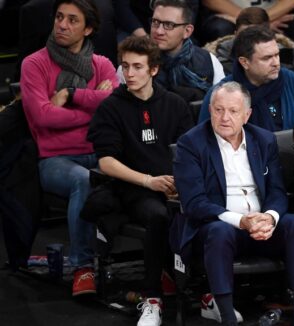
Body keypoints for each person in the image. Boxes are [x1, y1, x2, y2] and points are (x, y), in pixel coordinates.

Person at [173, 81, 294, 326]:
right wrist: (241, 220)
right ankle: (227, 316)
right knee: (219, 231)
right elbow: (195, 203)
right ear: (210, 111)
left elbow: (278, 192)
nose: (224, 117)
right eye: (218, 110)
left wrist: (269, 217)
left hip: (261, 225)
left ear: (247, 115)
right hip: (218, 227)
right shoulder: (191, 144)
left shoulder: (264, 140)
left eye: (233, 111)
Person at [86, 36, 193, 326]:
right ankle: (153, 298)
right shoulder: (111, 107)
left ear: (154, 70)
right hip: (132, 189)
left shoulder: (175, 104)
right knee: (158, 216)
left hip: (173, 188)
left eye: (137, 67)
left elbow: (190, 152)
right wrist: (148, 181)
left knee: (199, 211)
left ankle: (203, 292)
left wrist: (180, 185)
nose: (129, 74)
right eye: (125, 67)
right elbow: (106, 162)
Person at [20, 0, 118, 297]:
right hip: (55, 159)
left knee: (143, 174)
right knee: (83, 180)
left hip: (100, 154)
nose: (62, 25)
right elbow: (43, 116)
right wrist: (92, 107)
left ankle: (160, 267)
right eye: (60, 17)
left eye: (72, 20)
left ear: (88, 29)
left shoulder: (102, 64)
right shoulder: (34, 64)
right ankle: (82, 267)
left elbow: (114, 108)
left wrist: (73, 96)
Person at [198, 25, 294, 131]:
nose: (276, 63)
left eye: (277, 55)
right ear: (245, 62)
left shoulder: (292, 80)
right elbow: (206, 141)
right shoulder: (221, 94)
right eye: (267, 58)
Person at [117, 0, 224, 102]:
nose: (159, 31)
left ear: (187, 31)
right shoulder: (129, 65)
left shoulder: (209, 61)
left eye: (169, 25)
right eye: (155, 22)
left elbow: (221, 105)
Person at [204, 6, 294, 74]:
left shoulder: (287, 58)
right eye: (244, 35)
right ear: (235, 35)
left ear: (269, 34)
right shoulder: (215, 60)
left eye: (257, 36)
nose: (249, 42)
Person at [196, 0, 294, 47]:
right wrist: (250, 20)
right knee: (219, 29)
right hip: (231, 16)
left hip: (274, 16)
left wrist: (260, 20)